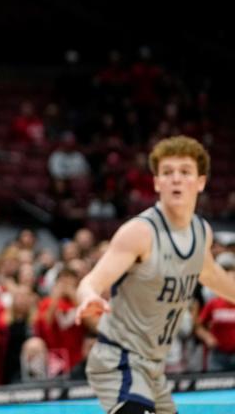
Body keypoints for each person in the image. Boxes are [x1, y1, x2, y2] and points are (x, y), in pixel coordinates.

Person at [76, 136, 235, 414]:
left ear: (200, 182)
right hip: (119, 358)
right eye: (167, 172)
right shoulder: (140, 232)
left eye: (184, 172)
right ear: (156, 182)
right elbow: (91, 281)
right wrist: (89, 296)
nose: (175, 179)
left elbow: (210, 274)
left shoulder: (201, 232)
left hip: (152, 367)